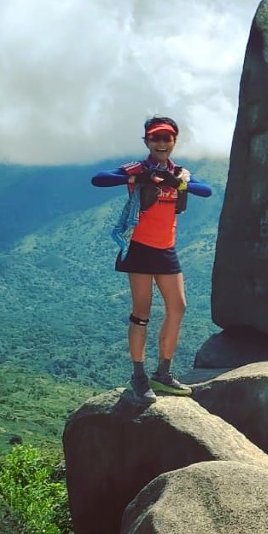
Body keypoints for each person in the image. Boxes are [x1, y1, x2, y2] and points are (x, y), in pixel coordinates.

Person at [91, 116, 212, 404]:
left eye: (166, 138)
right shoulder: (138, 167)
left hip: (166, 248)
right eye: (156, 138)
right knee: (141, 313)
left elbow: (206, 190)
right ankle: (139, 376)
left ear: (174, 142)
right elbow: (99, 178)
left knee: (178, 307)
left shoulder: (180, 173)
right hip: (141, 248)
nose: (161, 143)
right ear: (146, 141)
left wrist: (179, 184)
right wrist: (138, 178)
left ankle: (163, 373)